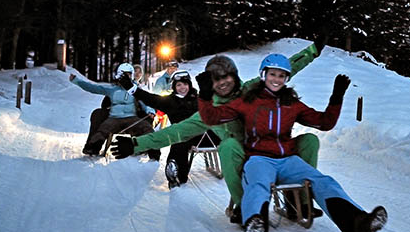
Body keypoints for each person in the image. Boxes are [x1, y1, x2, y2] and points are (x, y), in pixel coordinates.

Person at [196, 53, 387, 232]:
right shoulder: (247, 101)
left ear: (286, 79)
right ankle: (255, 225)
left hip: (288, 160)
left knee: (322, 180)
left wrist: (336, 98)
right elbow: (212, 118)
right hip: (259, 158)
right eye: (272, 74)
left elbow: (324, 123)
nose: (276, 79)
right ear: (264, 74)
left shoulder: (291, 104)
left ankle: (359, 222)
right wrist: (204, 95)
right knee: (258, 184)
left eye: (281, 76)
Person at [110, 42, 324, 218]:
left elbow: (284, 70)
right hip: (242, 156)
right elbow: (171, 133)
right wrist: (137, 144)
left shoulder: (248, 89)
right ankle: (243, 205)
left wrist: (312, 51)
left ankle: (300, 203)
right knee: (222, 145)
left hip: (270, 148)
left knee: (309, 141)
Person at [118, 69, 200, 187]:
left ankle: (176, 169)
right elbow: (149, 98)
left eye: (185, 84)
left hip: (203, 135)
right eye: (179, 85)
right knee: (179, 142)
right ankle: (176, 174)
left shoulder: (198, 99)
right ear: (174, 87)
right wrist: (131, 88)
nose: (183, 88)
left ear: (190, 85)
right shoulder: (170, 101)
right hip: (182, 136)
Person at [69, 63, 160, 160]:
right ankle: (92, 148)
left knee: (147, 128)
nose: (126, 77)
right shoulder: (112, 89)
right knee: (102, 130)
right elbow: (93, 88)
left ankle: (154, 155)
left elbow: (145, 102)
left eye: (128, 74)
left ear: (131, 75)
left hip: (132, 119)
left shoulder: (135, 89)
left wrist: (150, 111)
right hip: (114, 118)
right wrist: (76, 81)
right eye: (123, 75)